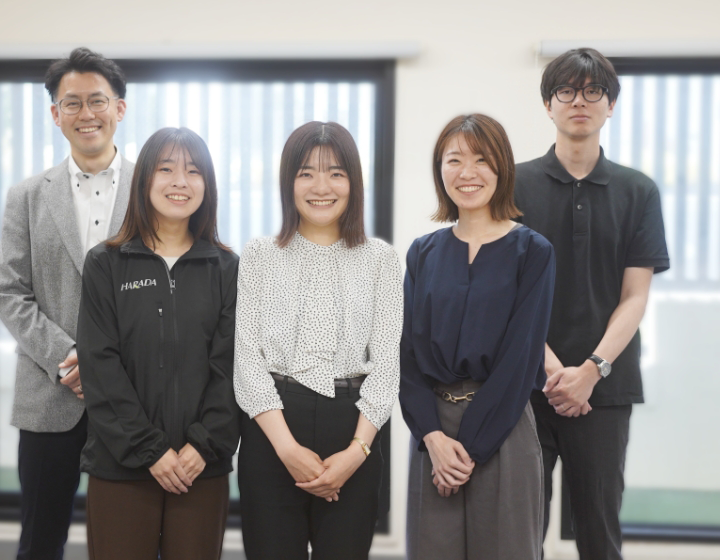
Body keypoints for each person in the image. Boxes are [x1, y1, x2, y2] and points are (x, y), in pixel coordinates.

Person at [515, 48, 670, 559]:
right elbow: (507, 294)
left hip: (605, 390)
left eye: (592, 91)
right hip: (524, 387)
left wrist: (591, 370)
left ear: (611, 105)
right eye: (566, 91)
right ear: (548, 104)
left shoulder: (638, 191)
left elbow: (635, 296)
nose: (579, 101)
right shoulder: (512, 185)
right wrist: (553, 371)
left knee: (600, 533)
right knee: (518, 532)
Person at [233, 121, 403, 560]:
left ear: (354, 182)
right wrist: (286, 449)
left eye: (336, 173)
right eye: (306, 172)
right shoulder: (259, 255)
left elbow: (387, 364)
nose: (321, 187)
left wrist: (356, 452)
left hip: (354, 427)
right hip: (272, 429)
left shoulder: (381, 259)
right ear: (288, 182)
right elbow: (247, 359)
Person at [0, 47, 131, 559]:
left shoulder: (152, 190)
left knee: (132, 541)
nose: (86, 113)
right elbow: (9, 291)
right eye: (72, 103)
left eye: (97, 100)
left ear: (119, 108)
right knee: (40, 540)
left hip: (134, 396)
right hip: (51, 395)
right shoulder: (26, 196)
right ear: (55, 114)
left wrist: (105, 364)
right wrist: (69, 357)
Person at [76, 127, 238, 560]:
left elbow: (232, 367)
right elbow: (100, 366)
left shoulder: (227, 268)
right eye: (166, 169)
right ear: (144, 179)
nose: (180, 181)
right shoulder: (106, 264)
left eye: (193, 171)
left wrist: (203, 445)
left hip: (200, 467)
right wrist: (150, 450)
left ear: (207, 185)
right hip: (122, 465)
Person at [400, 114, 555, 560]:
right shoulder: (422, 252)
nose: (467, 172)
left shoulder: (533, 251)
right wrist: (432, 438)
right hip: (434, 432)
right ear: (440, 170)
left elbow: (521, 359)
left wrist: (467, 449)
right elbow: (407, 355)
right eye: (454, 160)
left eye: (482, 159)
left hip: (504, 426)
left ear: (502, 167)